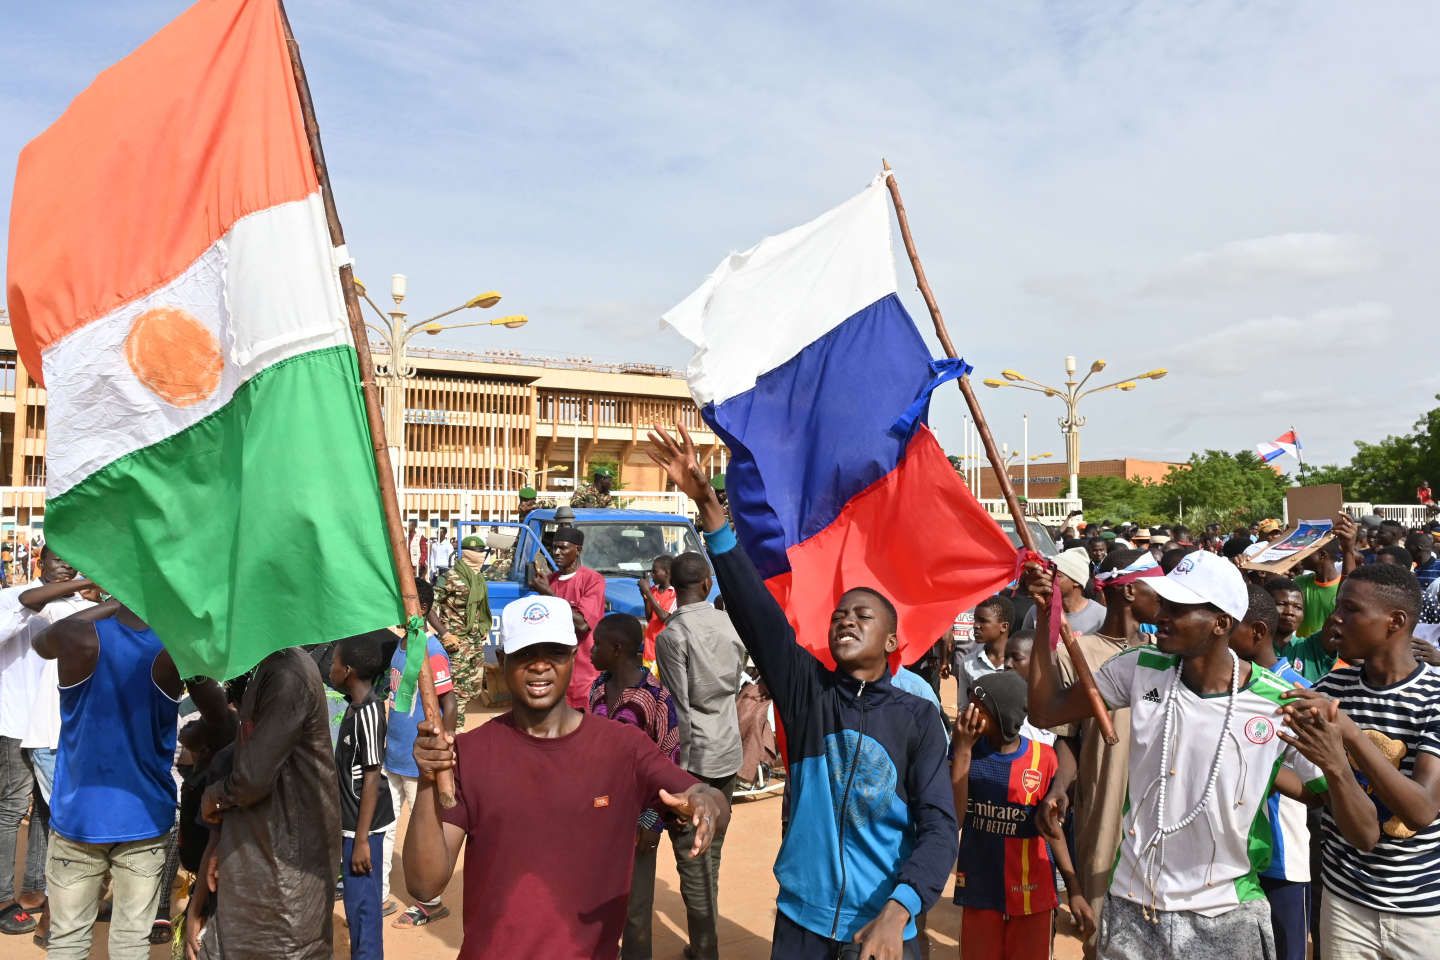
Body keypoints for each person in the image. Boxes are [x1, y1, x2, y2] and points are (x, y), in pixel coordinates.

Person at [647, 424, 957, 959]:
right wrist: (711, 510)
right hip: (802, 925)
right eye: (839, 616)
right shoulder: (806, 694)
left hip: (883, 931)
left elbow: (939, 827)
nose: (845, 622)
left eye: (863, 616)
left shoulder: (918, 715)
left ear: (891, 640)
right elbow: (757, 615)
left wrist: (901, 910)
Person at [1027, 549, 1377, 958]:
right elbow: (1047, 711)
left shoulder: (1275, 702)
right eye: (1164, 604)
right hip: (1133, 905)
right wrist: (1044, 619)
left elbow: (1363, 831)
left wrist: (1332, 767)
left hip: (1228, 915)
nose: (1161, 616)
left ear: (1221, 624)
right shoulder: (1139, 667)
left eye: (1178, 609)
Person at [403, 594, 729, 960]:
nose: (540, 666)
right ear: (501, 660)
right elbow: (424, 881)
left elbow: (707, 796)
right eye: (526, 653)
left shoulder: (624, 749)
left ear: (574, 658)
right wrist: (429, 779)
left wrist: (707, 801)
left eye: (554, 652)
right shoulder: (469, 752)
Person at [31, 598, 227, 960]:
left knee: (68, 939)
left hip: (79, 817)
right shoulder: (173, 650)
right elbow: (222, 719)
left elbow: (41, 643)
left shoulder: (78, 636)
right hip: (145, 818)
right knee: (131, 941)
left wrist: (112, 602)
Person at [1281, 563, 1440, 954]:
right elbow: (1318, 793)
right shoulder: (1331, 687)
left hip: (1423, 911)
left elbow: (1421, 810)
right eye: (1337, 607)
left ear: (1395, 622)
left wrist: (1349, 733)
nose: (1335, 619)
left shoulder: (1434, 696)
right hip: (1344, 899)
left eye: (1350, 609)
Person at [1030, 548, 1160, 960]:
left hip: (1156, 817)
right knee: (1102, 935)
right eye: (1155, 588)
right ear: (1128, 592)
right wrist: (1061, 785)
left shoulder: (1166, 655)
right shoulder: (1078, 653)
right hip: (1102, 811)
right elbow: (1068, 736)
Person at [197, 646, 341, 960]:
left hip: (286, 872)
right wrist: (225, 846)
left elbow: (251, 779)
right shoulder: (268, 670)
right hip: (257, 855)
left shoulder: (287, 674)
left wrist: (214, 797)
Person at [951, 671, 1094, 960]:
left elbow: (1052, 830)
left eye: (977, 706)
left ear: (1002, 716)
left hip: (1033, 892)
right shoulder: (965, 755)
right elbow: (956, 819)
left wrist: (1074, 888)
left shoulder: (1043, 760)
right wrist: (963, 751)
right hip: (981, 888)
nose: (967, 712)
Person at [653, 551, 746, 959]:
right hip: (729, 748)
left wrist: (681, 772)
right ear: (708, 584)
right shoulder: (731, 624)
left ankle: (705, 948)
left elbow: (679, 707)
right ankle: (704, 941)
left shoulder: (672, 636)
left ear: (673, 586)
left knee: (692, 855)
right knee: (714, 848)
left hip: (696, 758)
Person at [0, 548, 93, 937]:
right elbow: (22, 609)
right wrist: (87, 584)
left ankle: (34, 889)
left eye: (74, 560)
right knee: (11, 807)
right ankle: (4, 897)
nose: (67, 566)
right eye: (58, 559)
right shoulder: (14, 597)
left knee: (44, 810)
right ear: (40, 561)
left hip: (54, 724)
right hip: (15, 718)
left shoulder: (75, 605)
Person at [587, 613, 682, 960]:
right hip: (597, 819)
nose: (591, 650)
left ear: (617, 648)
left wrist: (652, 821)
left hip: (639, 821)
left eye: (597, 644)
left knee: (637, 912)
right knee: (596, 905)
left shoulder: (656, 697)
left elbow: (668, 760)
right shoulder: (597, 687)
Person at [1228, 584, 1313, 960]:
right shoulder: (1223, 685)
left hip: (1281, 852)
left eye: (1229, 625)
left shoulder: (1295, 691)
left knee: (1286, 949)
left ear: (1256, 631)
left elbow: (1318, 781)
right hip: (1234, 853)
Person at [383, 580, 456, 929]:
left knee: (424, 824)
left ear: (421, 609)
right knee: (386, 825)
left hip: (417, 759)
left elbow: (449, 702)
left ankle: (431, 901)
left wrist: (445, 741)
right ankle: (379, 892)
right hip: (392, 752)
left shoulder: (432, 649)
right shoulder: (400, 645)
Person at [328, 633, 395, 960]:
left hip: (362, 826)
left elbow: (372, 774)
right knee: (356, 906)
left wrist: (363, 839)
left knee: (364, 908)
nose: (330, 667)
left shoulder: (368, 712)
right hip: (352, 824)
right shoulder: (353, 708)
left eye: (336, 662)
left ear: (349, 670)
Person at [528, 526, 606, 708]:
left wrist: (549, 595)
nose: (556, 552)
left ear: (577, 550)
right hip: (553, 672)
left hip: (583, 673)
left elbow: (582, 625)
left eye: (563, 548)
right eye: (554, 547)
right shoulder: (549, 580)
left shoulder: (592, 580)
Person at [431, 534, 493, 730]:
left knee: (474, 687)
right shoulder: (449, 577)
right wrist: (444, 633)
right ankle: (454, 731)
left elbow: (482, 607)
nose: (481, 555)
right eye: (478, 552)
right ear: (467, 553)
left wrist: (483, 628)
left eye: (483, 552)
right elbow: (429, 607)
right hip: (456, 642)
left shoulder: (479, 578)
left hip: (474, 640)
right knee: (457, 690)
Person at [1020, 546, 1107, 637]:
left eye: (1057, 575)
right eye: (1047, 573)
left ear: (1076, 582)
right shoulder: (1036, 611)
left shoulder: (1100, 616)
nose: (1048, 578)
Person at [1267, 576, 1339, 684]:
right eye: (1282, 604)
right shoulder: (1251, 647)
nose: (1290, 612)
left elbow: (1340, 610)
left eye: (1298, 607)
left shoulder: (1314, 648)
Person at [958, 595, 1011, 708]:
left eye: (983, 621)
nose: (976, 626)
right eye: (975, 620)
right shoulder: (968, 664)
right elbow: (964, 708)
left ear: (1004, 627)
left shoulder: (1020, 663)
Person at [638, 554, 676, 669]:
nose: (652, 575)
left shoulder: (675, 593)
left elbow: (664, 618)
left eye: (655, 572)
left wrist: (648, 593)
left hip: (665, 654)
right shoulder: (654, 590)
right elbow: (650, 618)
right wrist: (645, 597)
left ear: (667, 572)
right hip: (650, 650)